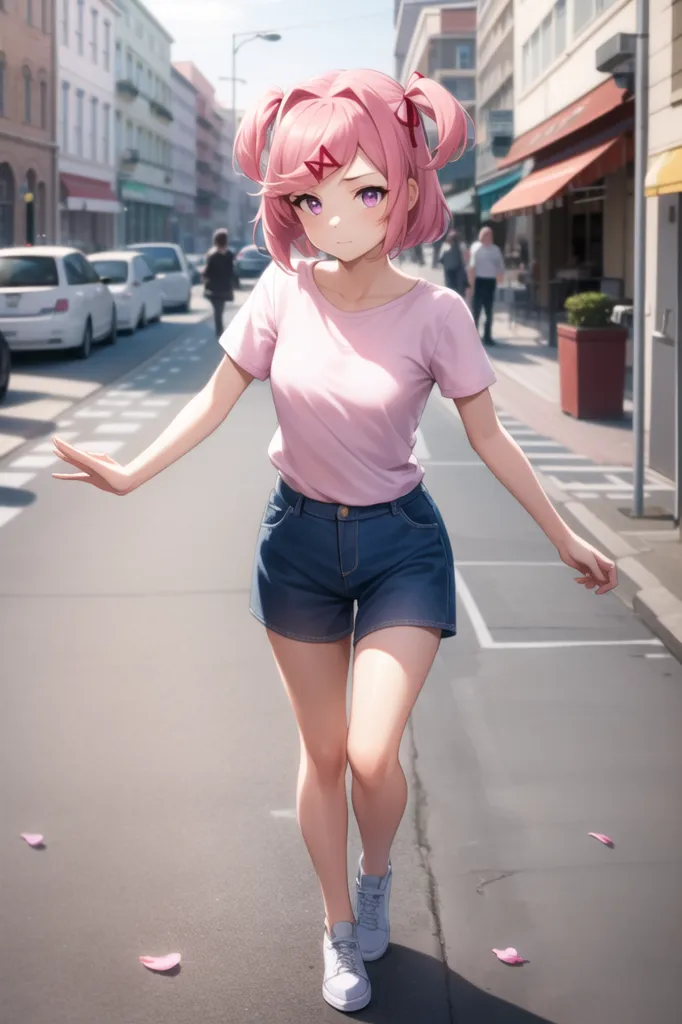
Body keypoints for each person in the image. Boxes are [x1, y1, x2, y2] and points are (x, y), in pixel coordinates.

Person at [50, 69, 618, 1016]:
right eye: (308, 196)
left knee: (368, 753)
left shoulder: (436, 313)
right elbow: (216, 398)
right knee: (319, 757)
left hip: (402, 547)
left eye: (358, 190)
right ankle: (336, 929)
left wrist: (561, 536)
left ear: (402, 190)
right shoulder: (281, 293)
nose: (331, 214)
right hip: (299, 544)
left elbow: (490, 435)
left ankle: (379, 873)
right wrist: (129, 472)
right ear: (286, 203)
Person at [468, 225, 505, 345]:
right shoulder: (475, 248)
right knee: (476, 310)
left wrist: (500, 281)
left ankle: (487, 336)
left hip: (490, 281)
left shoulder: (495, 250)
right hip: (478, 281)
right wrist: (470, 285)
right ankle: (473, 336)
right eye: (484, 235)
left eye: (488, 235)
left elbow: (500, 266)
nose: (486, 237)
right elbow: (471, 267)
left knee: (489, 310)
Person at [202, 228, 235, 337]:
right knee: (219, 310)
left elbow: (207, 272)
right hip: (225, 288)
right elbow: (232, 272)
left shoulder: (212, 255)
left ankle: (219, 331)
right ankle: (220, 330)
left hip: (214, 289)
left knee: (218, 310)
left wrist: (204, 276)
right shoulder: (229, 255)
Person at [439, 228, 468, 296]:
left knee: (451, 287)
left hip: (452, 269)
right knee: (457, 287)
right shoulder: (461, 245)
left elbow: (441, 259)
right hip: (457, 270)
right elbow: (465, 258)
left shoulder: (445, 245)